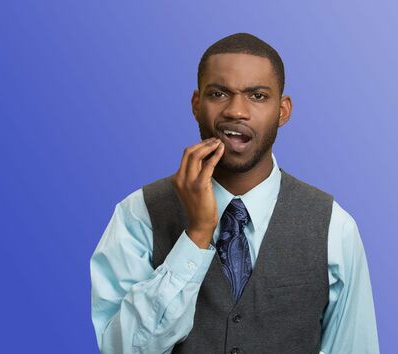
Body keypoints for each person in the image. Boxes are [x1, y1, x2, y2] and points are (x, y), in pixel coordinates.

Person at [90, 33, 380, 353]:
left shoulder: (334, 228)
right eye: (219, 93)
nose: (236, 111)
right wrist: (196, 235)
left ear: (282, 111)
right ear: (197, 104)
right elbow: (120, 349)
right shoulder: (139, 213)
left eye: (256, 96)